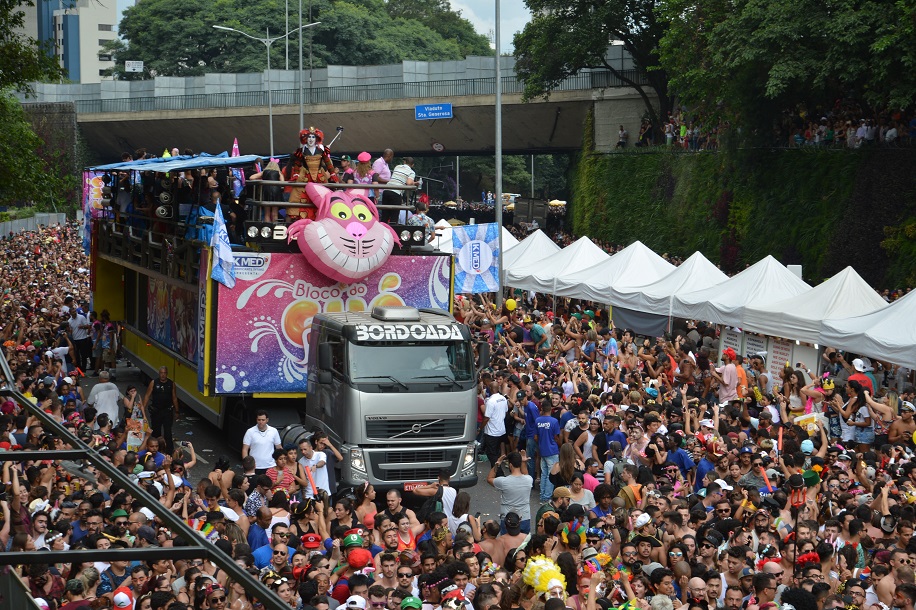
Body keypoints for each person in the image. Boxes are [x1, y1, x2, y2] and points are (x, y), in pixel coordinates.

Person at [141, 366, 180, 455]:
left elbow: (174, 397)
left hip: (167, 412)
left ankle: (169, 452)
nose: (163, 375)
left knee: (168, 433)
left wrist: (177, 411)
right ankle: (155, 451)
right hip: (156, 411)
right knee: (156, 432)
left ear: (167, 374)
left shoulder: (171, 384)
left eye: (164, 373)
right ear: (159, 374)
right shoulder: (154, 382)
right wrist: (143, 408)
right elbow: (147, 395)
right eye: (161, 373)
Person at [242, 410, 282, 475]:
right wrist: (246, 465)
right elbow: (245, 449)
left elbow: (279, 448)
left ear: (267, 420)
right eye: (259, 420)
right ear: (256, 420)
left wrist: (281, 463)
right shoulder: (250, 432)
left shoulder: (274, 431)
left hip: (271, 466)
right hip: (254, 467)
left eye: (263, 420)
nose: (261, 422)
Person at [380, 157, 415, 224]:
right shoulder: (411, 172)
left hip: (386, 190)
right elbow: (408, 183)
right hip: (396, 192)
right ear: (412, 165)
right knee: (394, 216)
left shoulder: (397, 167)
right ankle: (393, 232)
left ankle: (382, 230)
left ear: (404, 162)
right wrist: (414, 183)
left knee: (385, 215)